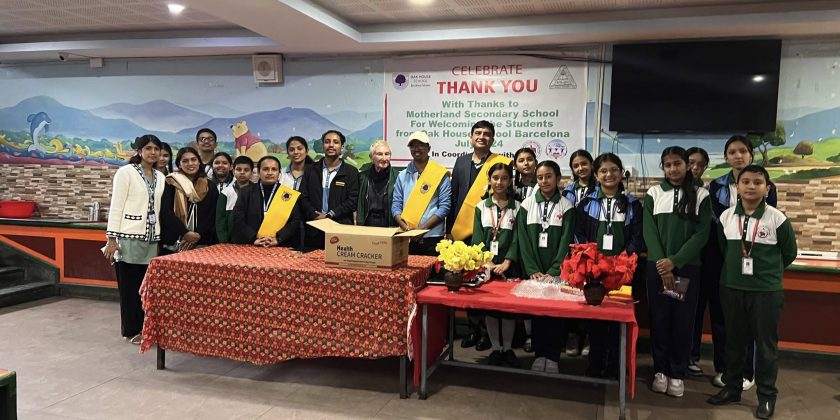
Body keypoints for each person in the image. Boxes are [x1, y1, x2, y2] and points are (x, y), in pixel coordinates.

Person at [707, 165, 797, 420]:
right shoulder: (726, 217)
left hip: (765, 292)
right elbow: (725, 249)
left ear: (767, 189)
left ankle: (767, 397)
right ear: (738, 187)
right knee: (733, 343)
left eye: (757, 182)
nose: (750, 186)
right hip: (732, 288)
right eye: (745, 181)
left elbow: (789, 253)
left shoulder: (776, 218)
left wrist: (767, 275)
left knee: (766, 347)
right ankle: (732, 388)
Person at [706, 135, 777, 389]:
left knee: (748, 320)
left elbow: (767, 220)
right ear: (726, 157)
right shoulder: (716, 186)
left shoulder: (765, 185)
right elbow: (718, 224)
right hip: (722, 259)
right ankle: (724, 368)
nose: (738, 155)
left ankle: (747, 371)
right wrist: (729, 255)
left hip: (754, 261)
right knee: (721, 317)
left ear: (751, 155)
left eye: (743, 151)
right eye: (732, 151)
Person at [643, 146, 711, 398]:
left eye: (677, 164)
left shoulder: (701, 195)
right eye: (667, 164)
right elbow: (649, 230)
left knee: (683, 322)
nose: (672, 169)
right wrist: (662, 263)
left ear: (687, 165)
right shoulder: (653, 193)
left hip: (688, 268)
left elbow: (702, 234)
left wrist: (675, 261)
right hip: (657, 268)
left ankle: (677, 372)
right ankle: (660, 370)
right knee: (659, 320)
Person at [576, 153, 644, 378]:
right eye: (603, 171)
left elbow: (637, 235)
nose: (609, 175)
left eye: (614, 170)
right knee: (596, 319)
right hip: (595, 270)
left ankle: (616, 363)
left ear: (621, 172)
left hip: (621, 270)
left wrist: (624, 259)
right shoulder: (586, 203)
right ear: (596, 175)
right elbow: (580, 234)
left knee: (617, 319)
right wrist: (590, 259)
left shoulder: (632, 203)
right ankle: (595, 362)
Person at [449, 120, 512, 351]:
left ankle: (488, 333)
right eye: (478, 133)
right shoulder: (461, 161)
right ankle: (473, 329)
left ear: (492, 139)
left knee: (490, 285)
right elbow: (455, 197)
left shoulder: (500, 163)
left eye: (487, 134)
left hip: (488, 233)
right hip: (462, 233)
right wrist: (450, 230)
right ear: (471, 137)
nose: (482, 137)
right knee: (470, 282)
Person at [103, 135, 166, 345]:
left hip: (151, 239)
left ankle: (146, 328)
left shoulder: (161, 176)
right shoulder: (126, 172)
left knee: (146, 288)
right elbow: (117, 205)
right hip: (127, 238)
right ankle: (131, 330)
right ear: (139, 151)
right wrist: (111, 238)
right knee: (129, 289)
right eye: (148, 148)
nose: (153, 152)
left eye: (156, 148)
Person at [517, 160, 576, 374]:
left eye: (549, 176)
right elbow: (523, 239)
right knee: (538, 313)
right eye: (540, 177)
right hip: (534, 272)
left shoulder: (567, 206)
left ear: (558, 179)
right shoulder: (527, 204)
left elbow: (566, 242)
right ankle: (539, 353)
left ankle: (552, 356)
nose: (544, 181)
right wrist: (532, 269)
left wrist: (553, 271)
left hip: (556, 272)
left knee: (555, 313)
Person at [472, 162, 521, 367]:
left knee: (508, 311)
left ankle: (508, 348)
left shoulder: (518, 207)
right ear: (489, 180)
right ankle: (495, 348)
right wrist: (488, 262)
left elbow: (519, 238)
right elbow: (476, 239)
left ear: (510, 181)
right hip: (487, 266)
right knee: (491, 310)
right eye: (495, 178)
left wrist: (508, 261)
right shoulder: (481, 207)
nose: (499, 182)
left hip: (510, 266)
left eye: (504, 178)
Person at [685, 146, 721, 378]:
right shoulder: (665, 191)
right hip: (673, 262)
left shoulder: (708, 193)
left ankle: (693, 356)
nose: (695, 168)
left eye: (701, 164)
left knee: (700, 309)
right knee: (685, 312)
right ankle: (684, 356)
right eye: (691, 162)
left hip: (703, 261)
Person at [392, 131, 452, 255]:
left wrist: (423, 229)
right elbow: (396, 206)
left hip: (432, 236)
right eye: (412, 145)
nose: (416, 149)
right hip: (406, 236)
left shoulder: (440, 174)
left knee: (433, 274)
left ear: (428, 148)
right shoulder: (402, 175)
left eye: (421, 145)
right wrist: (406, 228)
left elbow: (445, 207)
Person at [298, 130, 359, 249]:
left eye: (335, 142)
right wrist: (313, 214)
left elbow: (353, 200)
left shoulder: (351, 172)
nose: (331, 145)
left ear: (342, 147)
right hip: (314, 229)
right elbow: (302, 197)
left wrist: (330, 215)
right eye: (327, 142)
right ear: (322, 146)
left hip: (340, 228)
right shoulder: (311, 170)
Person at [232, 156, 301, 247]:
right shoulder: (246, 192)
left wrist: (278, 239)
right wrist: (254, 238)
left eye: (274, 169)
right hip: (252, 245)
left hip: (280, 245)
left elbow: (294, 221)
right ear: (258, 172)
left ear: (279, 173)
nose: (270, 173)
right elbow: (238, 218)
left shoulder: (288, 194)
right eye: (265, 169)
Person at [160, 146, 218, 254]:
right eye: (185, 161)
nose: (190, 163)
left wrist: (197, 235)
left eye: (193, 160)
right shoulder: (171, 183)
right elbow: (166, 212)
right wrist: (185, 233)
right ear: (179, 164)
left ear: (199, 162)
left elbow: (212, 214)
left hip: (201, 241)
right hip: (174, 240)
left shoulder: (210, 186)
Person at [512, 146, 538, 352]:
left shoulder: (544, 185)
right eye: (521, 160)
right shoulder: (510, 186)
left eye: (530, 159)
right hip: (513, 240)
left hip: (535, 241)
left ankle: (533, 335)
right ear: (515, 165)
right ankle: (518, 334)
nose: (526, 163)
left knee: (534, 289)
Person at [357, 140, 399, 227]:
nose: (384, 158)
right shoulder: (362, 177)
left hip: (390, 227)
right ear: (371, 157)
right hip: (366, 226)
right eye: (379, 154)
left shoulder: (398, 177)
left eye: (387, 154)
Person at [216, 155, 254, 243]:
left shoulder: (257, 191)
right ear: (233, 171)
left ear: (252, 172)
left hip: (254, 240)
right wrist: (223, 242)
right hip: (231, 241)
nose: (242, 172)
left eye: (246, 170)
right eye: (238, 169)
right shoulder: (226, 193)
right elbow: (220, 221)